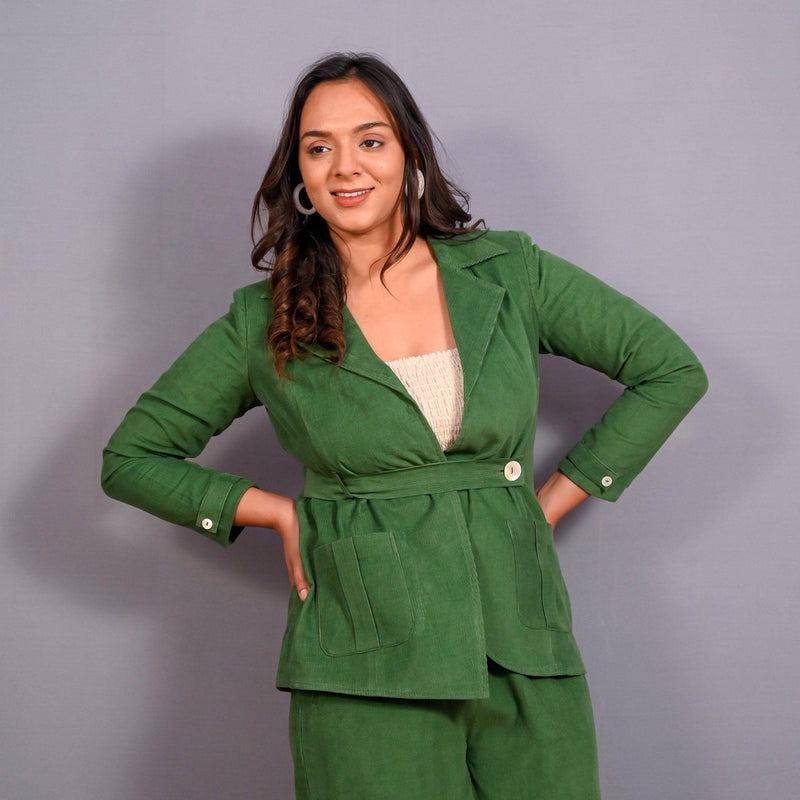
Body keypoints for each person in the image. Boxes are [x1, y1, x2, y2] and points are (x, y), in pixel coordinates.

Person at [101, 52, 708, 800]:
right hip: (363, 656)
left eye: (370, 140)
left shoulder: (508, 271)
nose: (345, 166)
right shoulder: (264, 319)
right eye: (319, 147)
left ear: (410, 155)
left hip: (522, 640)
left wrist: (547, 506)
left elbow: (671, 370)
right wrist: (275, 514)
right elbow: (131, 456)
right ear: (299, 172)